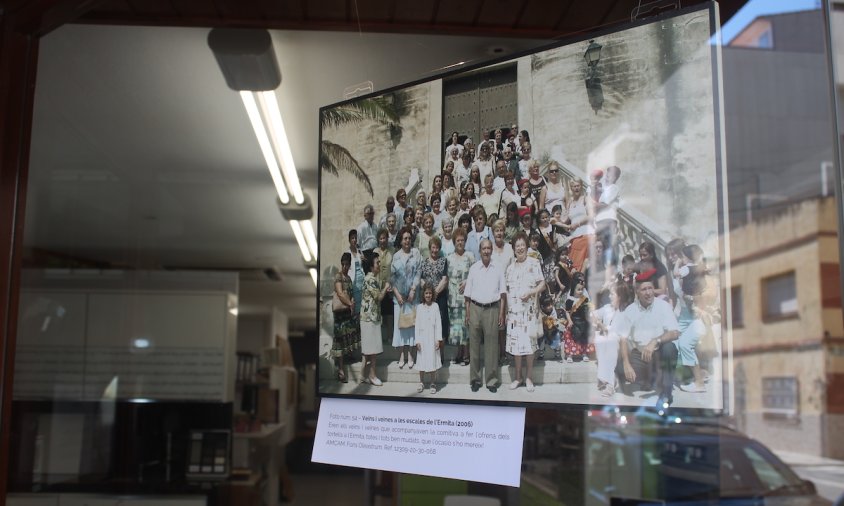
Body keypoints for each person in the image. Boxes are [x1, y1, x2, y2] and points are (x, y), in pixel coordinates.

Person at [615, 277, 680, 408]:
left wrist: (656, 340)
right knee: (621, 370)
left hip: (659, 353)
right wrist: (627, 364)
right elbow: (623, 338)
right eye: (644, 289)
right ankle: (648, 379)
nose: (648, 292)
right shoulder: (630, 310)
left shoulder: (663, 306)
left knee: (669, 349)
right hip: (640, 356)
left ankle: (666, 392)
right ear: (637, 292)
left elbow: (675, 332)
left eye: (650, 288)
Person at [505, 232, 546, 392]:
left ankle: (529, 377)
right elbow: (507, 291)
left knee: (529, 346)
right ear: (514, 249)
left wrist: (531, 292)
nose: (520, 248)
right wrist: (508, 311)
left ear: (527, 246)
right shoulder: (509, 268)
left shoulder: (534, 263)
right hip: (514, 314)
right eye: (517, 246)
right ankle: (517, 377)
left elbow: (542, 284)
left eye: (522, 245)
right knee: (516, 347)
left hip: (529, 312)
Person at [464, 238, 506, 393]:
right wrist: (468, 313)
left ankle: (491, 380)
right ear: (480, 251)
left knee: (491, 347)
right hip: (475, 308)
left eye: (489, 248)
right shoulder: (474, 268)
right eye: (484, 249)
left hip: (492, 309)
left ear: (492, 250)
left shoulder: (498, 268)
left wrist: (501, 313)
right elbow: (467, 294)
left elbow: (503, 294)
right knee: (474, 346)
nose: (486, 251)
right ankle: (475, 379)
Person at [593, 281, 633, 397]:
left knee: (610, 339)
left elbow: (623, 335)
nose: (609, 296)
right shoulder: (607, 308)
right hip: (610, 345)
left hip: (624, 346)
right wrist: (598, 323)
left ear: (620, 296)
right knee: (600, 338)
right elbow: (591, 313)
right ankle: (606, 378)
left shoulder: (626, 312)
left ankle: (609, 383)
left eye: (612, 294)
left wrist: (606, 329)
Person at [391, 227, 422, 369]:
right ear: (401, 240)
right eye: (405, 238)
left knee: (411, 326)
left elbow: (418, 273)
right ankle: (401, 355)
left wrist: (413, 290)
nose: (407, 241)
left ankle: (410, 354)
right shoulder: (396, 256)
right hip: (399, 299)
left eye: (409, 238)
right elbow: (392, 278)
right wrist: (397, 294)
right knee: (401, 327)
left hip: (412, 297)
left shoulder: (415, 255)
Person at [360, 251, 390, 386]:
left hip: (370, 318)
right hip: (369, 319)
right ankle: (372, 376)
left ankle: (362, 376)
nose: (379, 264)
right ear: (371, 266)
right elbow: (378, 297)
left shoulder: (371, 278)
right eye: (377, 263)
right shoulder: (370, 279)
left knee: (368, 349)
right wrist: (385, 288)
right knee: (372, 350)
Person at [447, 228, 474, 365]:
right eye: (458, 240)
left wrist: (468, 281)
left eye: (462, 240)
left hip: (465, 299)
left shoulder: (469, 256)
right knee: (456, 328)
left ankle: (466, 355)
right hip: (452, 299)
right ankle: (458, 353)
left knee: (465, 326)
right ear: (454, 242)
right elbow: (446, 277)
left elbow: (476, 275)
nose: (460, 243)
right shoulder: (449, 258)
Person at [420, 236, 448, 363]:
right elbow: (421, 279)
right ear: (429, 248)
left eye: (437, 247)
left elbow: (445, 279)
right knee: (427, 325)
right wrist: (428, 294)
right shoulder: (424, 262)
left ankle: (440, 355)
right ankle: (428, 354)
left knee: (440, 325)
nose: (435, 250)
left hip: (440, 298)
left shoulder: (443, 261)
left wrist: (434, 293)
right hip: (427, 300)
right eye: (433, 247)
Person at [332, 252, 359, 383]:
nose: (344, 266)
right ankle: (341, 370)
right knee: (340, 341)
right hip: (340, 314)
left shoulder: (348, 278)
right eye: (343, 264)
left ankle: (349, 356)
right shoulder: (338, 276)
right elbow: (340, 293)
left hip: (347, 313)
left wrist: (352, 303)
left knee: (348, 336)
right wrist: (350, 305)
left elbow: (352, 293)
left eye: (347, 264)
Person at [415, 285, 443, 394]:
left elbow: (439, 324)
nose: (428, 295)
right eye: (426, 293)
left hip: (432, 337)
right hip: (422, 338)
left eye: (430, 293)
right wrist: (417, 340)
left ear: (433, 295)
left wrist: (438, 339)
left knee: (432, 360)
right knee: (421, 360)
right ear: (423, 294)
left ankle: (432, 382)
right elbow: (417, 325)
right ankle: (421, 382)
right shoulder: (419, 307)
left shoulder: (435, 306)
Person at [595, 165, 621, 265]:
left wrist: (592, 205)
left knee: (607, 245)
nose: (606, 177)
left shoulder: (614, 188)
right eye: (607, 175)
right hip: (600, 221)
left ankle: (611, 267)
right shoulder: (605, 189)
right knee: (600, 246)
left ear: (614, 178)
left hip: (608, 220)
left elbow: (604, 204)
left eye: (609, 176)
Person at [563, 278, 594, 363]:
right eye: (578, 289)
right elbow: (567, 312)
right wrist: (569, 321)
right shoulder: (569, 301)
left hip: (583, 322)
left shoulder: (585, 300)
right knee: (570, 339)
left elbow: (588, 310)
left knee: (583, 339)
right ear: (573, 289)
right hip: (573, 322)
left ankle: (584, 353)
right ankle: (569, 355)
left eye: (582, 289)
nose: (580, 291)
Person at [373, 228, 394, 344]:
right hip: (378, 286)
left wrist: (392, 283)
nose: (382, 240)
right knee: (378, 313)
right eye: (380, 238)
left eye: (384, 238)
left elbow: (394, 268)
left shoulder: (392, 250)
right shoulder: (375, 251)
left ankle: (390, 336)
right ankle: (378, 338)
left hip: (389, 286)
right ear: (378, 240)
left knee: (389, 314)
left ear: (387, 238)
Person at [538, 294, 563, 362]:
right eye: (548, 305)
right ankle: (541, 354)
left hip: (552, 329)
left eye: (551, 304)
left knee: (557, 335)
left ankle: (557, 354)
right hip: (543, 330)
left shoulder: (553, 310)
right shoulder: (540, 312)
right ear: (542, 307)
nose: (550, 306)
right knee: (541, 338)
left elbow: (555, 321)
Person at [347, 229, 365, 314]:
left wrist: (364, 259)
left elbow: (363, 266)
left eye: (355, 238)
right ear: (349, 240)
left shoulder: (360, 251)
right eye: (352, 238)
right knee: (355, 305)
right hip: (353, 282)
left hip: (362, 281)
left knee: (362, 305)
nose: (354, 240)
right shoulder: (347, 253)